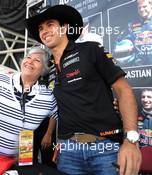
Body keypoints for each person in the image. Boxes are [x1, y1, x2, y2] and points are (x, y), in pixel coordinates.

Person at [26, 4, 141, 175]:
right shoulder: (48, 69)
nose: (44, 31)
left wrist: (131, 141)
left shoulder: (91, 50)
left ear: (64, 28)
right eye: (41, 28)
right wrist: (61, 142)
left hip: (105, 148)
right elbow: (59, 109)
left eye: (50, 24)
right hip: (68, 152)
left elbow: (123, 90)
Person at [114, 0, 152, 66]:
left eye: (144, 6)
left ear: (151, 5)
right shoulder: (132, 25)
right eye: (139, 7)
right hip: (139, 69)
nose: (142, 9)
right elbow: (120, 42)